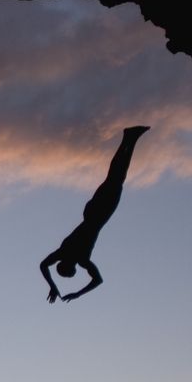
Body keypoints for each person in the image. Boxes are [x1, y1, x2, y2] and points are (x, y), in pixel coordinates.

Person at [41, 126, 149, 303]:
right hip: (91, 212)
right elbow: (44, 266)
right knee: (115, 178)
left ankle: (129, 138)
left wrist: (73, 292)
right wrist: (56, 286)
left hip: (98, 214)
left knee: (116, 178)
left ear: (69, 268)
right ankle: (130, 139)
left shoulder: (78, 257)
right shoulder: (67, 254)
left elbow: (97, 280)